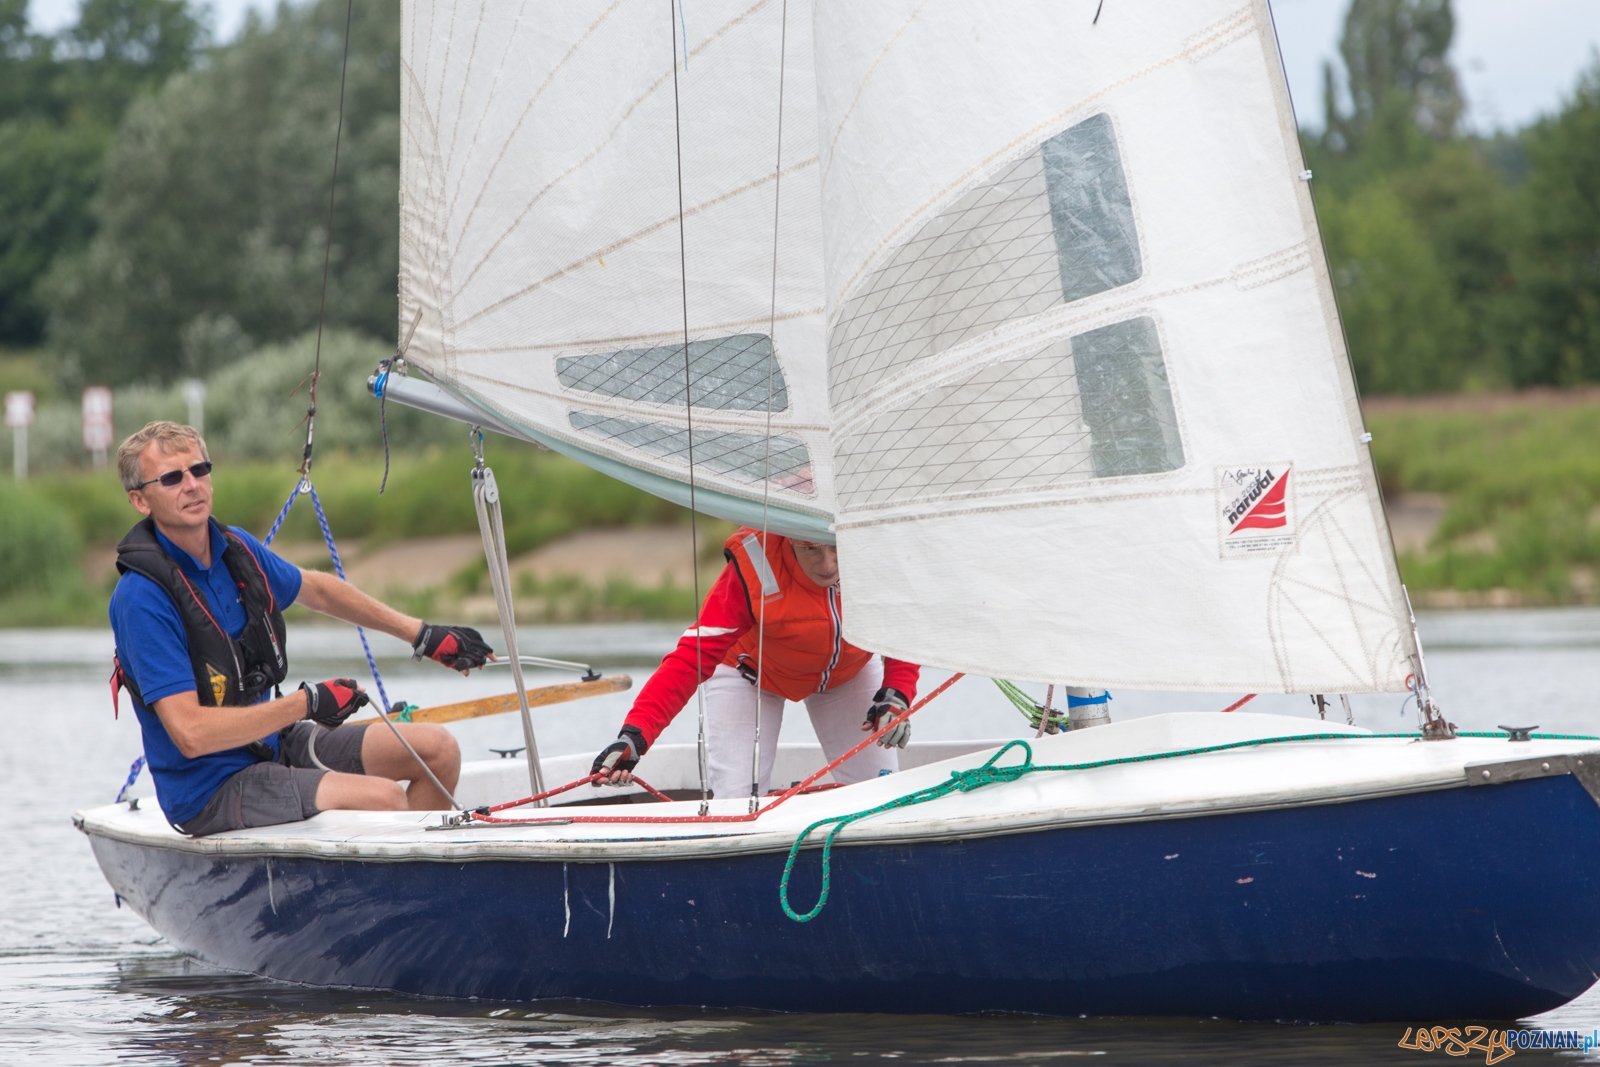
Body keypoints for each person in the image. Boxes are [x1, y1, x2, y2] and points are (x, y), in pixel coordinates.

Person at [109, 421, 493, 836]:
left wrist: (422, 635)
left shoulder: (235, 549)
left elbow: (319, 591)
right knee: (383, 799)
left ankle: (414, 886)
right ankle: (395, 894)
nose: (192, 485)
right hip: (210, 788)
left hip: (274, 745)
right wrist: (306, 703)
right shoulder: (141, 600)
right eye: (171, 478)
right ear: (139, 500)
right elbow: (190, 734)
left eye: (199, 470)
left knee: (438, 752)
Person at [590, 527, 921, 799]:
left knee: (880, 793)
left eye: (837, 547)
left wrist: (897, 693)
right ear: (788, 537)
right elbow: (691, 656)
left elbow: (901, 625)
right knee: (737, 804)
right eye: (810, 549)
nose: (828, 564)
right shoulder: (755, 558)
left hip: (848, 672)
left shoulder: (875, 544)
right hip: (748, 674)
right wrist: (635, 735)